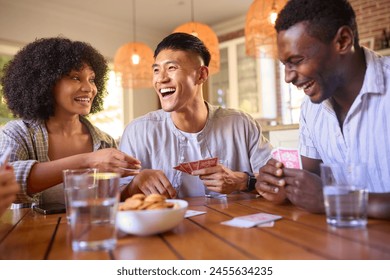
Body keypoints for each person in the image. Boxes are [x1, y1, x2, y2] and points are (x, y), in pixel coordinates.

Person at [256, 0, 390, 219]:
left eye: (296, 60)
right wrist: (281, 183)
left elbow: (322, 198)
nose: (288, 77)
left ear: (343, 41)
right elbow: (309, 178)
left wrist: (333, 200)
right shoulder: (311, 108)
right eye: (285, 65)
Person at [120, 32, 272, 199]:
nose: (161, 78)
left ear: (201, 75)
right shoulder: (137, 132)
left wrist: (242, 181)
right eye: (156, 70)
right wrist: (134, 185)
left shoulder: (241, 124)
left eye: (172, 68)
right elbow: (116, 199)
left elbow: (277, 182)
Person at [0, 37, 141, 205]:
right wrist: (87, 161)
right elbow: (7, 182)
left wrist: (136, 184)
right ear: (46, 82)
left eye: (91, 79)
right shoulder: (18, 133)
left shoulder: (105, 142)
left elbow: (112, 198)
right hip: (34, 232)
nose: (89, 88)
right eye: (75, 77)